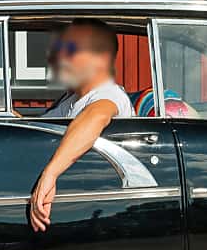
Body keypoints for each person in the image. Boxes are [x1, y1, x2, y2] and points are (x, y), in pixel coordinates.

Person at [28, 19, 134, 232]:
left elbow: (95, 117)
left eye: (72, 50)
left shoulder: (108, 93)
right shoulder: (71, 99)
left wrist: (51, 173)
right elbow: (36, 126)